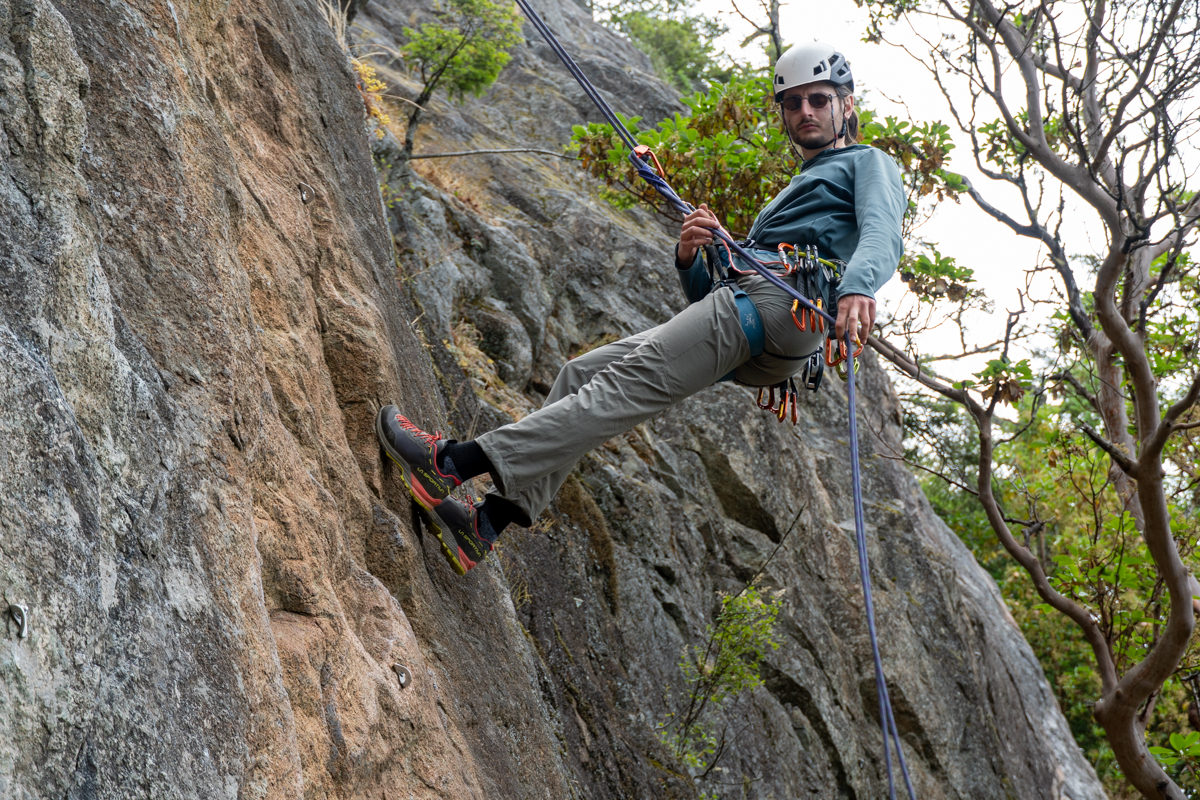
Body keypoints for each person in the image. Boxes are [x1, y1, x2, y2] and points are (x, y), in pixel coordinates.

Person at [376, 41, 905, 574]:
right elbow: (703, 300)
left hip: (776, 307)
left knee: (618, 391)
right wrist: (691, 253)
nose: (806, 112)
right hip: (755, 316)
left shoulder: (868, 162)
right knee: (582, 374)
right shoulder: (798, 188)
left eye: (818, 99)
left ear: (847, 104)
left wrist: (859, 287)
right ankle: (483, 524)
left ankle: (449, 462)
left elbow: (883, 230)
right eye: (793, 103)